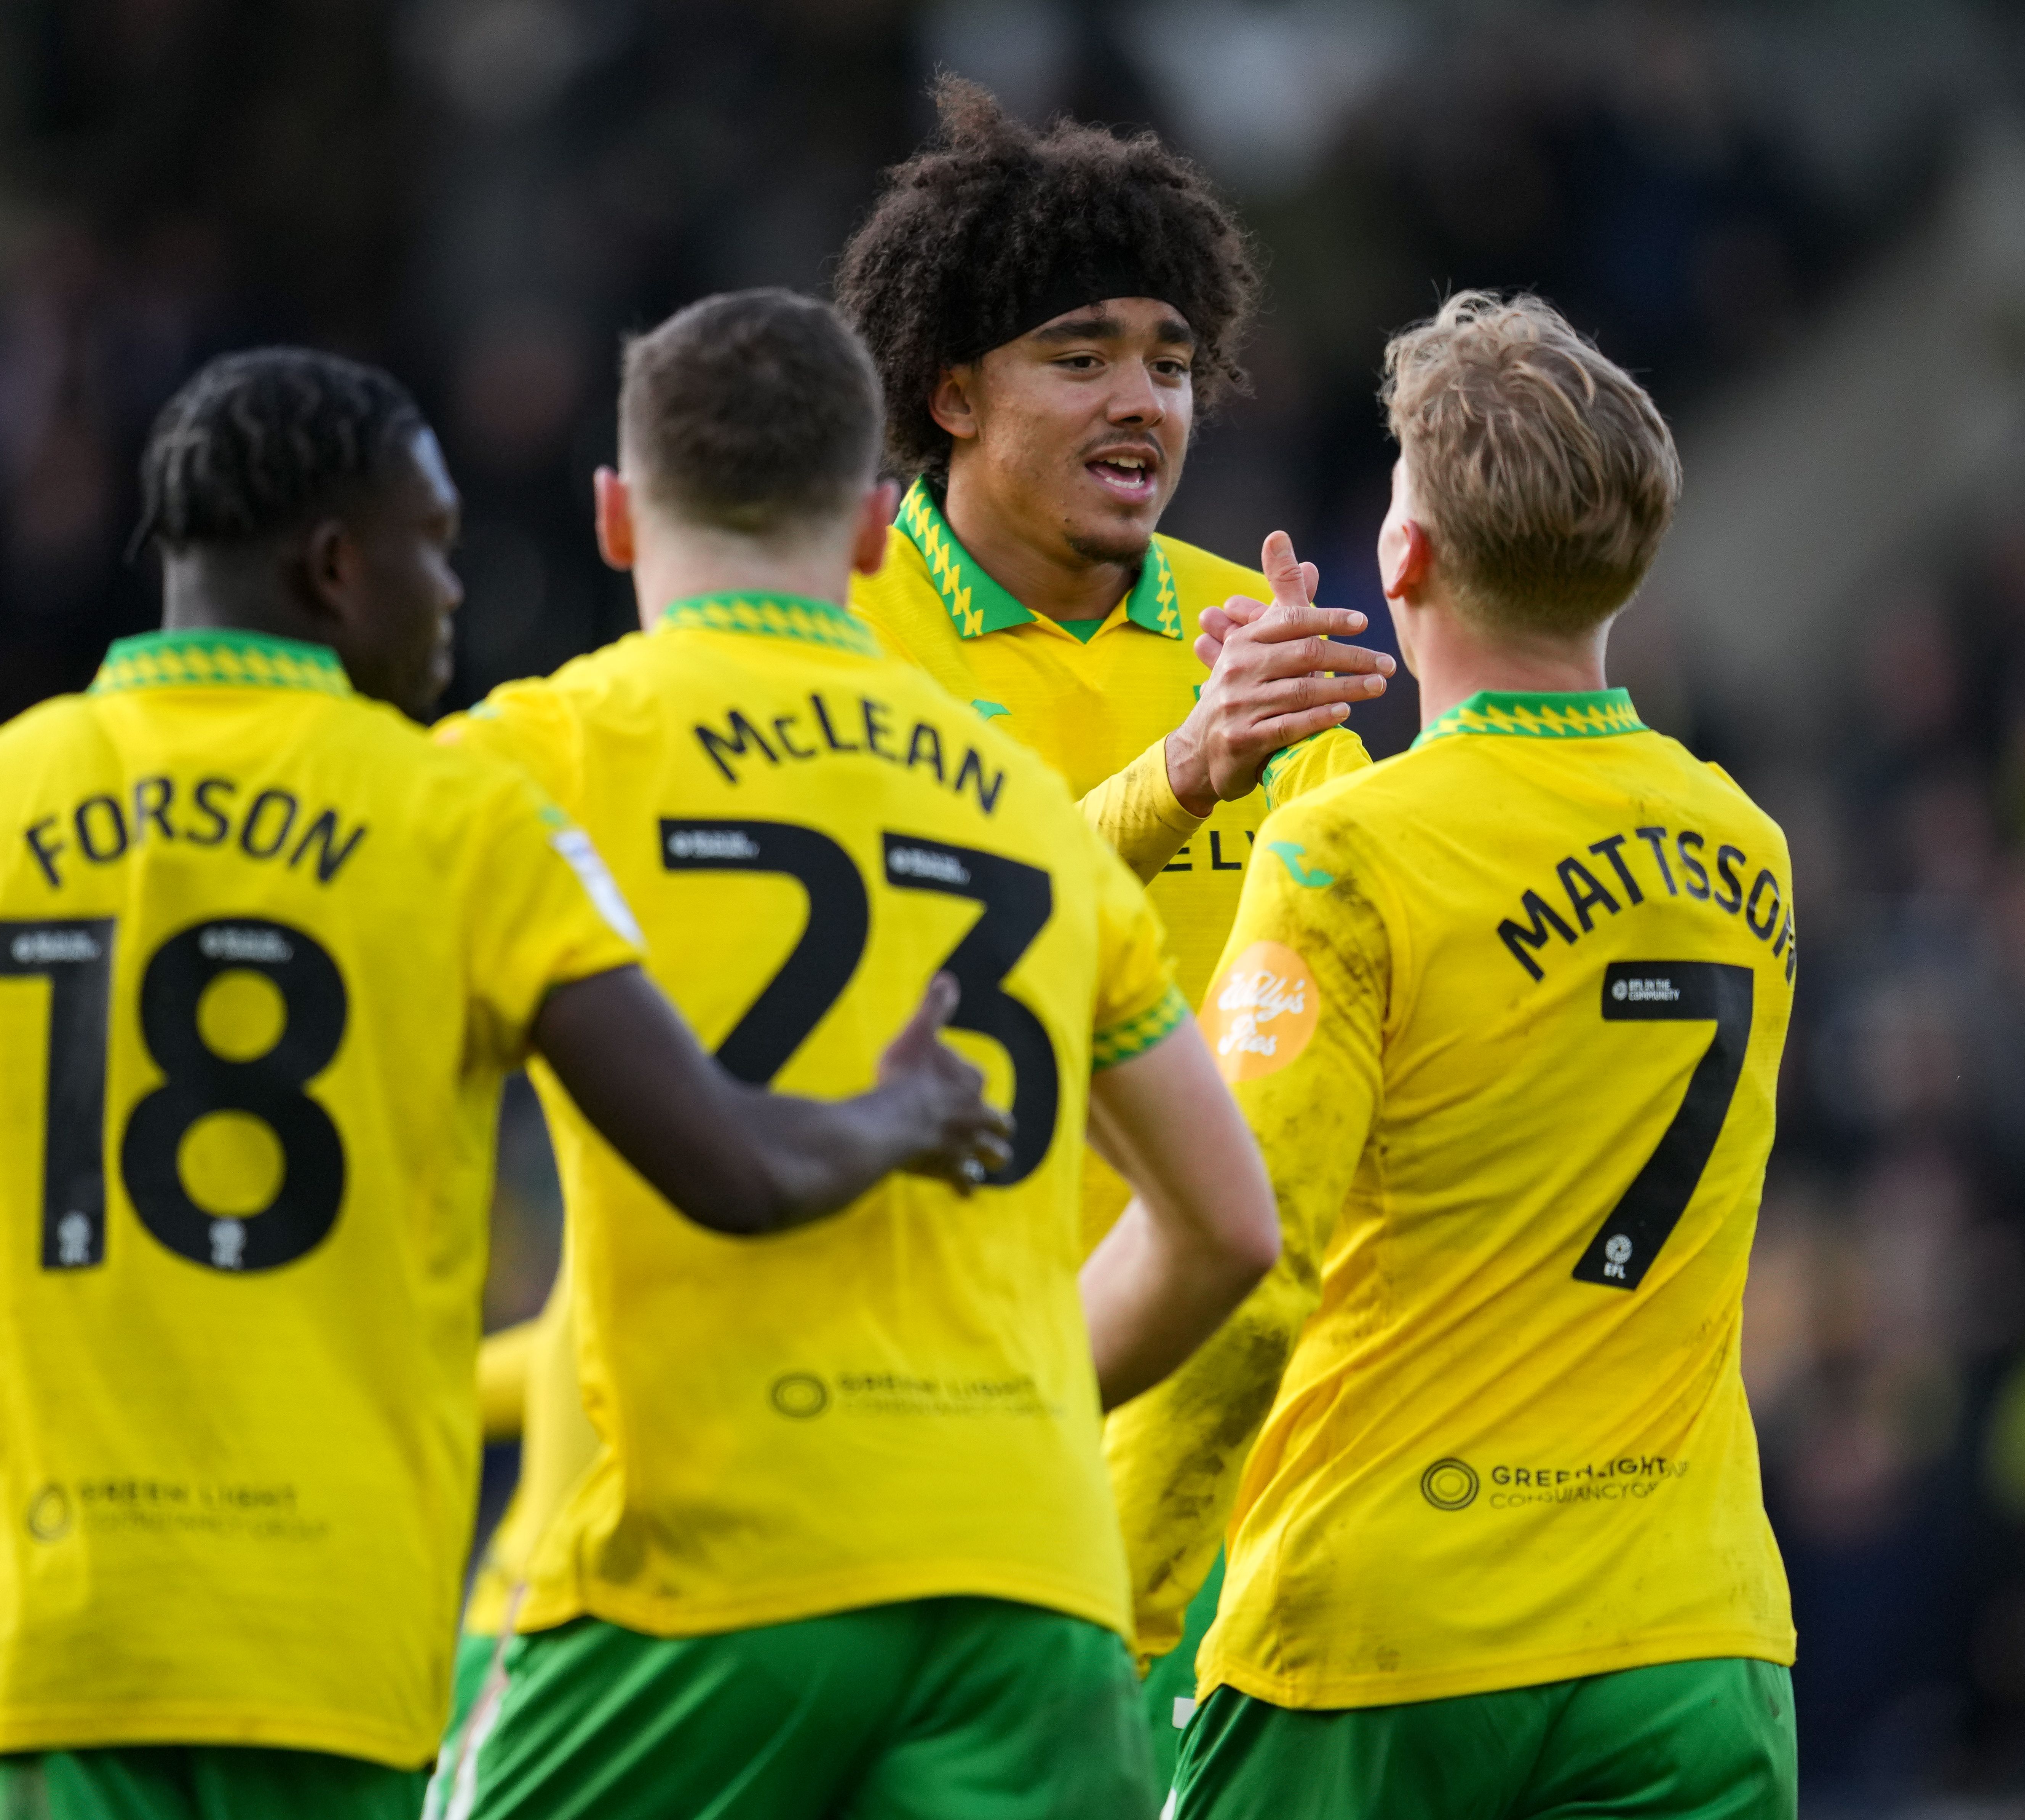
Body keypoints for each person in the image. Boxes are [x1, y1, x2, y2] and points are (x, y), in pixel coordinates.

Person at [0, 347, 1010, 1817]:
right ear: (334, 564)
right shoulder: (461, 821)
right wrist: (902, 1112)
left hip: (53, 1665)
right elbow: (730, 1169)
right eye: (434, 545)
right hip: (327, 1667)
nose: (454, 590)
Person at [442, 288, 1277, 1820]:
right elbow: (1228, 1226)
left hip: (706, 1570)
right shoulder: (1027, 814)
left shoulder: (527, 758)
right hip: (1028, 1584)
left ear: (616, 517)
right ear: (876, 531)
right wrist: (1022, 1397)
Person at [1153, 293, 1798, 1817]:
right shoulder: (1747, 846)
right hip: (1689, 1639)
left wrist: (1114, 1566)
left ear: (1401, 555)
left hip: (1386, 1638)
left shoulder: (1344, 857)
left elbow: (1240, 1255)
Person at [830, 74, 1393, 1766]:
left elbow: (1367, 997)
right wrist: (1180, 776)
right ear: (948, 392)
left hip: (1230, 1474)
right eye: (1079, 357)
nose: (1141, 398)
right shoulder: (838, 639)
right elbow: (896, 967)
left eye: (1168, 358)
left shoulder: (1254, 639)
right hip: (923, 1444)